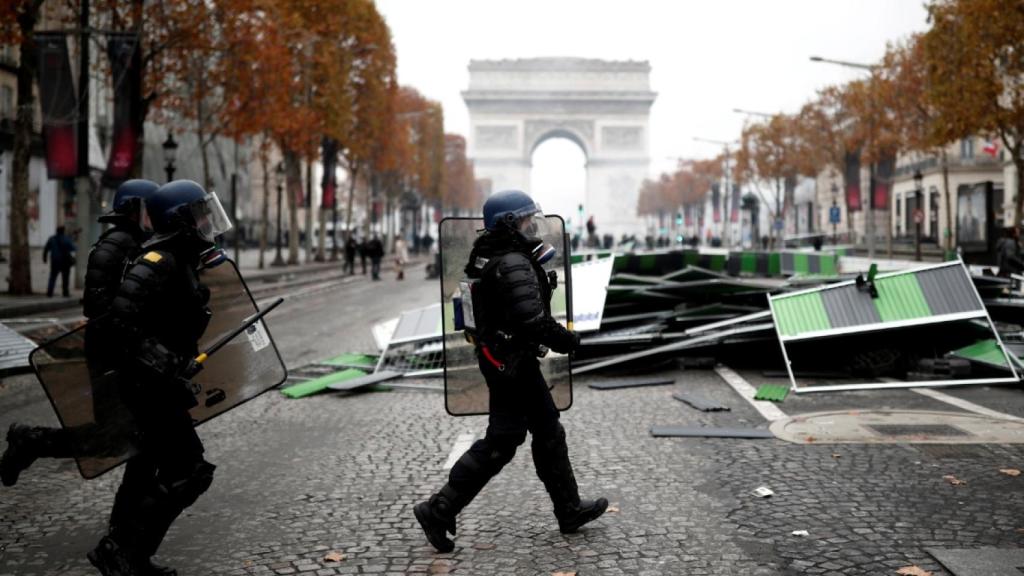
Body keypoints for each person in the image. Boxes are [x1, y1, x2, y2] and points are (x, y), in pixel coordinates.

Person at [414, 189, 607, 553]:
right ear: (509, 222)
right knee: (519, 436)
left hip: (500, 357)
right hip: (513, 361)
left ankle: (566, 509)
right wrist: (570, 341)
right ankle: (440, 509)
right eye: (526, 218)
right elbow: (532, 319)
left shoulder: (489, 255)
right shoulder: (513, 261)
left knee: (526, 434)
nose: (532, 224)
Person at [86, 180, 231, 576]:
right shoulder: (158, 260)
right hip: (147, 389)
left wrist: (178, 362)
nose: (206, 221)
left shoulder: (182, 258)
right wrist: (165, 361)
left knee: (156, 468)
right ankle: (120, 550)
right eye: (200, 214)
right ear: (180, 219)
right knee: (188, 471)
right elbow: (118, 322)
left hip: (159, 386)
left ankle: (127, 554)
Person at [1, 179, 158, 488]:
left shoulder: (134, 244)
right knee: (110, 439)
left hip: (122, 350)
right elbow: (98, 305)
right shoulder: (116, 245)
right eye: (150, 211)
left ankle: (129, 524)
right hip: (111, 352)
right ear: (133, 211)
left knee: (135, 436)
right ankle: (30, 441)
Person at [43, 225, 77, 297]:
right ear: (63, 231)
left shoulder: (52, 238)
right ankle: (65, 293)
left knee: (52, 277)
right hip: (65, 261)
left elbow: (46, 249)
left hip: (54, 261)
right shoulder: (67, 239)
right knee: (65, 278)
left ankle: (49, 293)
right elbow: (73, 248)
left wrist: (44, 258)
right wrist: (74, 239)